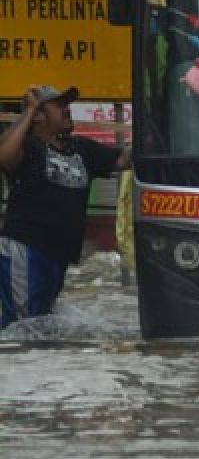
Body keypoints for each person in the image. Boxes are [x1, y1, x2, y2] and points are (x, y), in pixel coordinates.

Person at [0, 85, 130, 327]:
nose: (67, 110)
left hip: (58, 255)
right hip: (26, 250)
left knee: (41, 323)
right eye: (59, 106)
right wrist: (28, 112)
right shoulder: (27, 148)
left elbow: (124, 159)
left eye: (67, 105)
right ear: (39, 116)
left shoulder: (82, 149)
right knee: (23, 327)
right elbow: (3, 156)